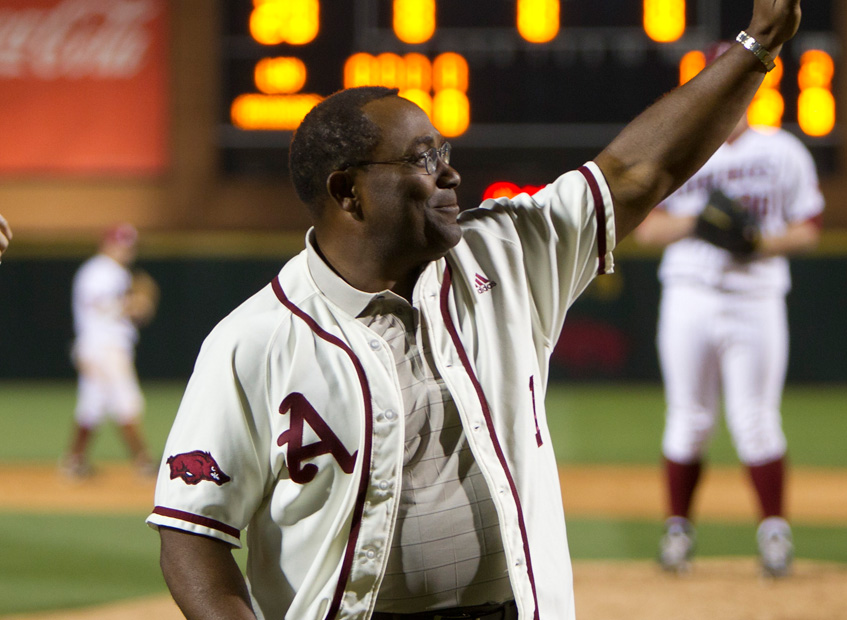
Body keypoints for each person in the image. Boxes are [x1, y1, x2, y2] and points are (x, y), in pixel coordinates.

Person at [147, 2, 803, 618]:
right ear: (348, 191)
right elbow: (190, 531)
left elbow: (639, 172)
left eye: (445, 154)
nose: (451, 174)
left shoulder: (508, 251)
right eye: (422, 160)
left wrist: (758, 45)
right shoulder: (255, 339)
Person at [634, 44, 824, 578]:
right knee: (688, 419)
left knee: (756, 421)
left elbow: (809, 228)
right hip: (690, 295)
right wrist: (699, 225)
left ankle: (775, 535)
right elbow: (647, 228)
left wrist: (758, 242)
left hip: (755, 297)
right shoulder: (682, 146)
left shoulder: (782, 151)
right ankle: (677, 533)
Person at [63, 223, 158, 478]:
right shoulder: (99, 271)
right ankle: (144, 461)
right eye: (121, 244)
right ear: (107, 244)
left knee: (93, 404)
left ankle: (74, 461)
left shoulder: (115, 272)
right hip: (103, 346)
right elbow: (103, 308)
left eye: (129, 245)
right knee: (127, 401)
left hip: (103, 345)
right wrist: (135, 303)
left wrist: (135, 306)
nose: (127, 250)